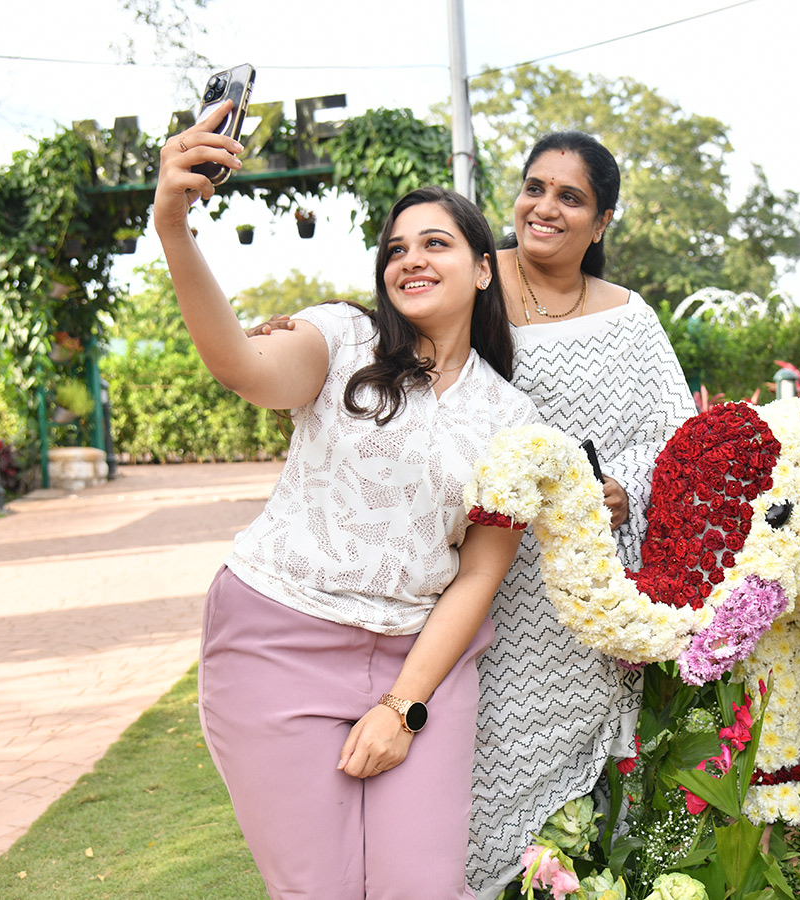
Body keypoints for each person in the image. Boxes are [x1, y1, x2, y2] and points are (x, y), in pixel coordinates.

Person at [250, 130, 697, 899]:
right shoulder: (472, 281)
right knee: (442, 787)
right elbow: (395, 329)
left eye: (570, 197)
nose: (544, 207)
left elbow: (671, 437)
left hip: (565, 593)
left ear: (603, 222)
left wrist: (621, 490)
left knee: (566, 801)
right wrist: (301, 332)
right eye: (534, 187)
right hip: (455, 581)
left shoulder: (630, 318)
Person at [154, 101, 540, 900]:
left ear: (481, 268)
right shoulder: (339, 343)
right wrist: (174, 229)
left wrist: (402, 708)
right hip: (277, 641)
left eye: (437, 242)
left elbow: (477, 576)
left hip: (419, 661)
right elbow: (241, 365)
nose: (411, 259)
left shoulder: (514, 421)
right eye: (397, 248)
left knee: (421, 890)